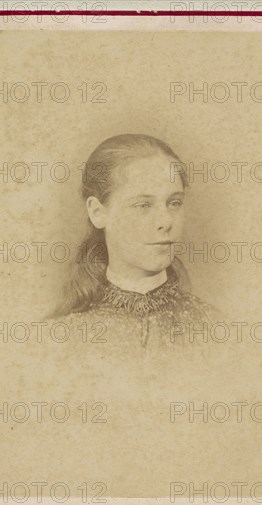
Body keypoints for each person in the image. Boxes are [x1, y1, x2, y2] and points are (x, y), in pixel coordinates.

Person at [54, 133, 218, 350]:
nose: (166, 221)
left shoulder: (214, 327)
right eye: (143, 205)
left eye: (174, 202)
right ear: (98, 213)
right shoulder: (62, 339)